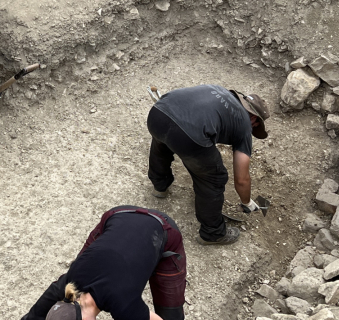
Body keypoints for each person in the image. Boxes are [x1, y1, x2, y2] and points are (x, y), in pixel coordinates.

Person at [146, 85, 270, 245]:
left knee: (162, 142)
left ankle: (159, 185)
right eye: (255, 127)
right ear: (254, 119)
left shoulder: (220, 91)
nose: (252, 129)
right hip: (186, 134)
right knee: (214, 178)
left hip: (158, 113)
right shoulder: (245, 123)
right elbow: (242, 179)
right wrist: (246, 202)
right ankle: (213, 233)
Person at [22, 206, 187, 320]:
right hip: (118, 214)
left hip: (162, 229)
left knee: (170, 313)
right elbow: (39, 312)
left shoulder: (124, 305)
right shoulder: (71, 284)